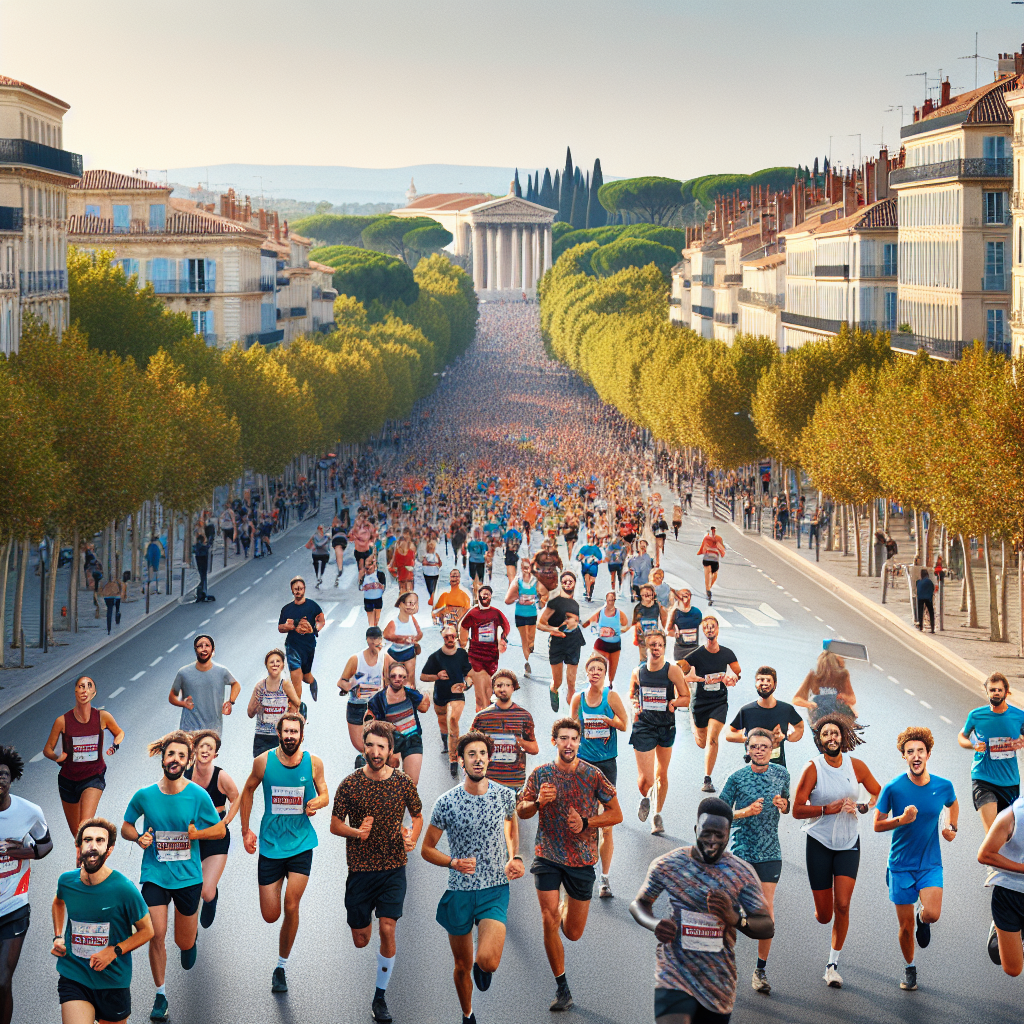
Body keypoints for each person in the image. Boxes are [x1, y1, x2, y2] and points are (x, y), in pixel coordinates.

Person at [629, 797, 774, 1023]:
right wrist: (654, 923)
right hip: (674, 970)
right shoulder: (669, 864)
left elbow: (766, 926)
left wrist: (735, 919)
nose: (712, 841)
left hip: (717, 980)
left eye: (719, 835)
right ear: (696, 829)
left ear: (728, 834)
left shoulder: (741, 873)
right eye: (706, 833)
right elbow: (638, 904)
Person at [517, 718, 623, 1012]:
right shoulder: (540, 774)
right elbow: (521, 811)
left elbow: (616, 814)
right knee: (548, 919)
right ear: (555, 741)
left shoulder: (593, 775)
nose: (568, 744)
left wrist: (587, 822)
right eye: (563, 738)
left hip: (580, 860)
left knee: (573, 932)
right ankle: (562, 987)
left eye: (573, 739)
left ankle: (566, 902)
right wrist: (538, 802)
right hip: (547, 855)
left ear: (579, 742)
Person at [421, 732, 524, 1024]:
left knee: (487, 961)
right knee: (462, 965)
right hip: (461, 891)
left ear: (489, 758)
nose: (478, 759)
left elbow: (511, 828)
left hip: (494, 888)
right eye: (471, 754)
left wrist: (514, 857)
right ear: (461, 761)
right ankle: (467, 1014)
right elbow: (427, 849)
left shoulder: (505, 795)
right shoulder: (446, 802)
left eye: (482, 753)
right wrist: (452, 862)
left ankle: (484, 967)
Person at [121, 731, 224, 1022]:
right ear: (163, 757)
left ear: (188, 760)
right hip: (155, 873)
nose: (175, 760)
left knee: (182, 941)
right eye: (171, 754)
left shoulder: (197, 794)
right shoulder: (145, 795)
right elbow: (126, 825)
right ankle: (161, 995)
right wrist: (138, 837)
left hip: (189, 878)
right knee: (155, 933)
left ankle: (190, 942)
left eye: (181, 755)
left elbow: (218, 831)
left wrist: (197, 834)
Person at [331, 720, 424, 1024]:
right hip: (360, 870)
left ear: (390, 750)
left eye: (381, 746)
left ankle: (380, 997)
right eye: (369, 745)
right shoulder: (350, 784)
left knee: (387, 928)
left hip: (393, 868)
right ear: (364, 746)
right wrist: (356, 832)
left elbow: (418, 815)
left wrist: (412, 836)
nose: (375, 751)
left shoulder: (401, 782)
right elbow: (335, 825)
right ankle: (363, 927)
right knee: (361, 939)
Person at [239, 712, 328, 993]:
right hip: (270, 843)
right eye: (286, 731)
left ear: (302, 735)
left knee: (292, 904)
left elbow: (326, 793)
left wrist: (317, 803)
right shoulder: (263, 762)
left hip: (301, 842)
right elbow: (248, 790)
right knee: (270, 914)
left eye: (295, 732)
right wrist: (245, 831)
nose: (290, 736)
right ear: (279, 733)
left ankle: (281, 966)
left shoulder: (313, 763)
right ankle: (280, 952)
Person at [792, 714, 880, 989]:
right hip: (818, 841)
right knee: (825, 915)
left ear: (843, 736)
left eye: (835, 733)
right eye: (825, 734)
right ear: (819, 740)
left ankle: (832, 964)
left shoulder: (857, 766)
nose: (831, 738)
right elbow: (796, 810)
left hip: (848, 842)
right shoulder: (813, 769)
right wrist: (825, 809)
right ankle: (821, 906)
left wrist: (863, 807)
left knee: (843, 905)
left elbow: (879, 793)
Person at [872, 726, 958, 991]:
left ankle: (924, 919)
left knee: (931, 914)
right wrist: (901, 820)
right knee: (905, 926)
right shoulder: (893, 788)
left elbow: (952, 804)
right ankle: (910, 968)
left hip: (930, 863)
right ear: (904, 756)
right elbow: (877, 824)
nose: (916, 755)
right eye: (910, 752)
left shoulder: (943, 786)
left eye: (920, 750)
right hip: (900, 865)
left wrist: (951, 827)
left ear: (928, 754)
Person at [52, 818, 154, 1024]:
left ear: (109, 850)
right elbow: (58, 903)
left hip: (112, 981)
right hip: (75, 975)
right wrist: (58, 936)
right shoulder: (67, 881)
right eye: (87, 840)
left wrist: (114, 951)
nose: (93, 845)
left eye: (100, 841)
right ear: (78, 846)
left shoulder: (124, 889)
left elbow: (147, 931)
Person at [720, 728, 790, 994]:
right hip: (742, 850)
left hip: (770, 851)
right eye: (755, 746)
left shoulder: (782, 773)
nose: (759, 750)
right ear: (747, 749)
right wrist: (745, 812)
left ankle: (760, 970)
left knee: (766, 917)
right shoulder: (736, 778)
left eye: (765, 746)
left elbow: (787, 803)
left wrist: (784, 804)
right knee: (731, 912)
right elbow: (720, 812)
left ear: (772, 749)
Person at [0, 745, 52, 1024]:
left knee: (2, 981)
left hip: (14, 906)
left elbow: (46, 844)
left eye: (4, 774)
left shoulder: (29, 812)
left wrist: (21, 852)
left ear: (12, 778)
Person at [571, 654, 628, 897]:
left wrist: (609, 721)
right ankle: (582, 869)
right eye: (591, 669)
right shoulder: (578, 698)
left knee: (607, 824)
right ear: (586, 673)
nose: (595, 672)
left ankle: (604, 878)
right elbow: (571, 729)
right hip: (583, 764)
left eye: (599, 669)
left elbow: (625, 724)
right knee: (582, 821)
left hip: (606, 765)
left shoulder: (611, 697)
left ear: (605, 674)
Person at [44, 675, 124, 837]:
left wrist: (115, 745)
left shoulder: (102, 717)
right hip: (68, 780)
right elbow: (48, 749)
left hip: (93, 777)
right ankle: (81, 861)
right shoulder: (62, 721)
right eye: (81, 686)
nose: (84, 690)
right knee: (77, 837)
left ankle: (86, 859)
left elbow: (119, 732)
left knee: (85, 828)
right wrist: (57, 757)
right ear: (75, 691)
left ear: (93, 693)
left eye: (89, 686)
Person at [629, 628, 690, 835]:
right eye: (652, 645)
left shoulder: (672, 670)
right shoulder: (638, 672)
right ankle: (645, 796)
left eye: (660, 645)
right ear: (645, 646)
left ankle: (656, 815)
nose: (656, 649)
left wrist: (674, 702)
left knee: (661, 775)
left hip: (665, 726)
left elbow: (686, 697)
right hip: (644, 726)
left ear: (664, 647)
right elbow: (632, 695)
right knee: (645, 780)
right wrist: (635, 707)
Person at [183, 731, 241, 930]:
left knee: (205, 891)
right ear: (195, 749)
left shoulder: (220, 776)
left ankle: (212, 898)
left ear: (215, 754)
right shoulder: (186, 774)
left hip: (216, 838)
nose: (206, 750)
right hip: (190, 838)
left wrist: (226, 821)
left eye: (210, 748)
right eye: (202, 746)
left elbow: (236, 797)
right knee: (190, 888)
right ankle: (189, 934)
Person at [680, 616, 741, 793]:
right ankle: (693, 723)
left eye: (712, 626)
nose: (709, 629)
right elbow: (679, 667)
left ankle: (707, 779)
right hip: (700, 703)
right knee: (702, 742)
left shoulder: (727, 653)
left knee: (712, 739)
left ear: (718, 629)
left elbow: (737, 672)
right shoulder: (697, 655)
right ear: (703, 631)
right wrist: (688, 677)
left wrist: (733, 678)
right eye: (705, 627)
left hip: (719, 702)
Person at [958, 672, 1024, 831]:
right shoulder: (976, 715)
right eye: (992, 690)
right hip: (983, 778)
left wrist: (1020, 742)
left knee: (1007, 835)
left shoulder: (1019, 716)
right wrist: (973, 745)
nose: (996, 693)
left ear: (1006, 692)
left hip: (1010, 781)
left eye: (999, 690)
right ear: (987, 692)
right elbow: (962, 736)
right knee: (992, 832)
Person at [471, 669, 538, 796]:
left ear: (513, 688)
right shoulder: (483, 717)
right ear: (493, 688)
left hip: (514, 780)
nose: (503, 689)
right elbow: (468, 746)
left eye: (507, 685)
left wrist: (519, 741)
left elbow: (535, 749)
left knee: (510, 815)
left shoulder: (523, 716)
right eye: (499, 685)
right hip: (489, 779)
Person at [978, 791, 1024, 976]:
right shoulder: (1011, 816)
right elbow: (985, 855)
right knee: (1013, 969)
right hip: (1009, 894)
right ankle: (998, 929)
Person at [725, 666, 804, 768]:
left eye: (768, 680)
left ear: (775, 684)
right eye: (760, 680)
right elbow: (729, 733)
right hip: (753, 768)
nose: (764, 683)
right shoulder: (747, 711)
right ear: (755, 683)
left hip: (777, 767)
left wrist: (787, 738)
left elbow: (800, 726)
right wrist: (749, 739)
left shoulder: (786, 709)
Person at [367, 663, 432, 786]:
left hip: (412, 739)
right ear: (388, 678)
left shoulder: (411, 693)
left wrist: (426, 697)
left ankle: (404, 804)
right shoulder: (378, 699)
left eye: (401, 676)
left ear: (405, 678)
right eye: (394, 676)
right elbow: (370, 725)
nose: (397, 678)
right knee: (390, 782)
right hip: (391, 743)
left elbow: (423, 708)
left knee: (411, 783)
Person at [421, 626, 473, 779]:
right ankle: (445, 741)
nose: (450, 639)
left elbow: (469, 674)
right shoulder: (436, 657)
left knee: (453, 720)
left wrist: (467, 684)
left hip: (456, 695)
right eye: (446, 637)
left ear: (456, 637)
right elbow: (423, 676)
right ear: (442, 638)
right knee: (443, 722)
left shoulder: (462, 654)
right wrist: (436, 676)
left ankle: (453, 759)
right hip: (440, 695)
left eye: (452, 636)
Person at [168, 635, 240, 734]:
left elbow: (236, 685)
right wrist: (183, 703)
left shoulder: (221, 671)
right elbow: (172, 696)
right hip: (189, 727)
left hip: (213, 728)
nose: (204, 649)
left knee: (207, 750)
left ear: (212, 649)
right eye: (200, 646)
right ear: (195, 649)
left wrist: (230, 702)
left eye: (207, 645)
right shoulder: (184, 673)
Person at [538, 571, 586, 712]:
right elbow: (540, 624)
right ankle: (553, 689)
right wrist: (555, 630)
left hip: (573, 642)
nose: (567, 583)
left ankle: (572, 715)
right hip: (557, 643)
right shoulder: (555, 602)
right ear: (561, 584)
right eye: (564, 581)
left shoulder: (575, 604)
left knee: (571, 682)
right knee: (558, 681)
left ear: (574, 584)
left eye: (570, 581)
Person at [337, 628, 386, 762]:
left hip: (376, 706)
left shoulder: (385, 658)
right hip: (357, 705)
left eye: (377, 639)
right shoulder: (356, 659)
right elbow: (341, 682)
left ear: (381, 640)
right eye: (372, 639)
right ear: (367, 640)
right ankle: (364, 765)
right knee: (360, 745)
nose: (375, 642)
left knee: (377, 744)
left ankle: (372, 770)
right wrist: (353, 685)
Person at [459, 586, 510, 712]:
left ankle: (480, 710)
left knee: (486, 683)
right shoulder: (473, 613)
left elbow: (506, 626)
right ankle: (483, 713)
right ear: (478, 596)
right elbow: (464, 627)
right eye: (483, 594)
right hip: (476, 654)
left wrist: (503, 639)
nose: (485, 596)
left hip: (491, 654)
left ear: (491, 596)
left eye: (487, 594)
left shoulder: (496, 613)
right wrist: (463, 642)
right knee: (483, 686)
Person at [278, 576, 325, 709]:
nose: (298, 591)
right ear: (292, 591)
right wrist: (293, 626)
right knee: (296, 679)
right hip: (293, 646)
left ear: (304, 589)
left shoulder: (312, 606)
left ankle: (312, 681)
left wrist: (315, 629)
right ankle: (297, 710)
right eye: (295, 589)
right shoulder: (287, 609)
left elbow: (321, 620)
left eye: (300, 588)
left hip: (309, 646)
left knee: (305, 676)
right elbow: (280, 627)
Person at [247, 649, 295, 759]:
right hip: (262, 736)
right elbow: (250, 713)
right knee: (262, 771)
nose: (275, 664)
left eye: (278, 661)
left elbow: (297, 704)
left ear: (283, 665)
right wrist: (257, 703)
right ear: (266, 665)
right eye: (271, 662)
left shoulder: (285, 685)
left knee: (281, 770)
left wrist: (291, 720)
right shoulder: (260, 686)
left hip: (281, 736)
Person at [792, 650, 858, 725]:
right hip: (819, 714)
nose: (828, 674)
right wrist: (810, 704)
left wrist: (843, 697)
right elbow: (796, 699)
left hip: (836, 713)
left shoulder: (843, 676)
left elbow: (852, 699)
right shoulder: (813, 675)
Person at [504, 558, 546, 677]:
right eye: (524, 567)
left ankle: (530, 651)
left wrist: (538, 599)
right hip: (520, 613)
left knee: (531, 639)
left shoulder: (536, 581)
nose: (526, 569)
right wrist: (518, 598)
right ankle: (527, 663)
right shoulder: (518, 581)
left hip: (532, 613)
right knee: (524, 640)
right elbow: (507, 600)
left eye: (528, 567)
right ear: (521, 568)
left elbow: (544, 596)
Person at [581, 590, 629, 684]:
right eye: (609, 600)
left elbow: (626, 625)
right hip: (602, 644)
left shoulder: (620, 613)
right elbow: (589, 621)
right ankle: (592, 681)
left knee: (612, 671)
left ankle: (610, 687)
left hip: (615, 645)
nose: (610, 602)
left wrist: (617, 632)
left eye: (612, 600)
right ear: (606, 600)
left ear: (614, 601)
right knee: (597, 665)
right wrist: (581, 625)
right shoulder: (600, 612)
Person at [383, 591, 424, 685]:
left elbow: (420, 633)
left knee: (410, 680)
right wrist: (404, 639)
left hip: (409, 652)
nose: (412, 606)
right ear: (401, 604)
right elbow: (386, 635)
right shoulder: (393, 622)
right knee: (389, 680)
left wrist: (415, 639)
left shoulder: (412, 619)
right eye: (409, 603)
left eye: (414, 603)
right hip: (394, 653)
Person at [631, 584, 668, 664]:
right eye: (644, 595)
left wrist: (664, 631)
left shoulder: (657, 606)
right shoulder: (638, 608)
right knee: (644, 660)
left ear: (653, 594)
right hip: (643, 638)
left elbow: (664, 620)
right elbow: (635, 623)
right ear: (641, 595)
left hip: (655, 637)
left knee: (656, 658)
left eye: (649, 594)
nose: (646, 596)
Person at [667, 588, 703, 668]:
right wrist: (676, 632)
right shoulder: (675, 613)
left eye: (687, 593)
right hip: (680, 649)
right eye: (682, 594)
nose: (685, 595)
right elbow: (668, 631)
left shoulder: (697, 612)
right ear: (678, 597)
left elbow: (701, 629)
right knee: (681, 675)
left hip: (694, 648)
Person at [433, 569, 472, 636]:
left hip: (460, 621)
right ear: (449, 578)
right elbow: (436, 611)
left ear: (459, 578)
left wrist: (459, 618)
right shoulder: (444, 594)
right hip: (447, 622)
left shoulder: (465, 593)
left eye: (456, 576)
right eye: (452, 576)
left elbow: (468, 610)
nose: (454, 579)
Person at [696, 526, 726, 605]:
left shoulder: (717, 539)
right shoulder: (708, 538)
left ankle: (708, 588)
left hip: (712, 559)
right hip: (710, 559)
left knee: (712, 575)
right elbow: (704, 547)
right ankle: (708, 590)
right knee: (709, 574)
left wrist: (720, 549)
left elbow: (721, 548)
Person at [359, 553, 387, 628]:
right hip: (368, 599)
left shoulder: (380, 574)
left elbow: (384, 587)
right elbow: (360, 587)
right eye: (367, 567)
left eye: (370, 565)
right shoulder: (363, 575)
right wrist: (366, 587)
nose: (369, 569)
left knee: (377, 617)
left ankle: (375, 629)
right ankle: (372, 631)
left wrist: (378, 585)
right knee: (371, 620)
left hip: (378, 598)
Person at [575, 538, 604, 602]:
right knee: (587, 580)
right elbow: (578, 557)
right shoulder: (583, 548)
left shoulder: (596, 549)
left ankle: (589, 593)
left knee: (592, 581)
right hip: (585, 567)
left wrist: (595, 559)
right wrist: (581, 558)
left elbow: (600, 558)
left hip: (594, 567)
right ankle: (588, 595)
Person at [304, 524, 331, 588]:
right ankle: (320, 576)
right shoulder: (327, 537)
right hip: (325, 554)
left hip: (316, 554)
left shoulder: (314, 536)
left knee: (315, 563)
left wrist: (313, 545)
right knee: (323, 563)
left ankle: (317, 577)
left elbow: (308, 546)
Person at [466, 527, 489, 602]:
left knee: (474, 579)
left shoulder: (471, 543)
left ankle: (475, 595)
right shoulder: (483, 544)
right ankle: (478, 595)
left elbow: (469, 551)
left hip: (472, 561)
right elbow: (485, 552)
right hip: (480, 561)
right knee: (480, 579)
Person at [420, 540, 443, 604]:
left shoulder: (436, 555)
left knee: (434, 587)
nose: (432, 549)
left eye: (433, 548)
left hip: (435, 573)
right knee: (430, 588)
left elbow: (440, 563)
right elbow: (424, 563)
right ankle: (433, 599)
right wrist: (433, 564)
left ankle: (433, 600)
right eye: (431, 548)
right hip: (428, 573)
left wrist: (437, 564)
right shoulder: (426, 555)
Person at [331, 514, 349, 584]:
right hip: (337, 539)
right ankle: (340, 569)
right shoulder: (334, 526)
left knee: (339, 550)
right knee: (338, 550)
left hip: (341, 539)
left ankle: (340, 569)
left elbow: (345, 524)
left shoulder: (343, 527)